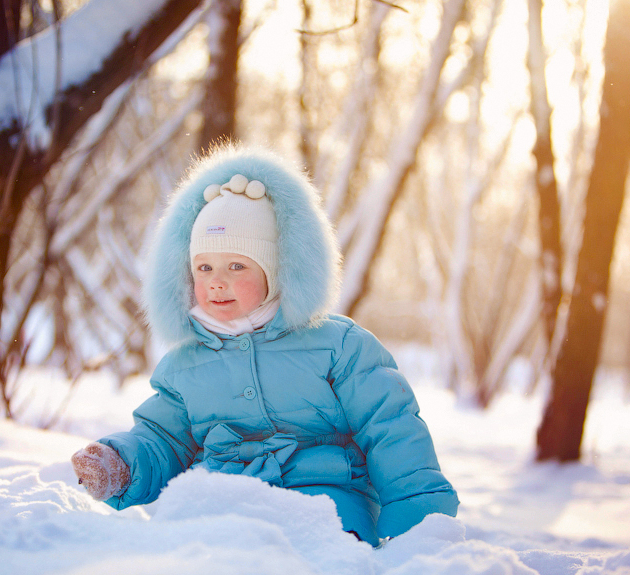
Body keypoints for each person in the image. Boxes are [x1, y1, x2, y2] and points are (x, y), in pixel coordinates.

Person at [71, 145, 458, 545]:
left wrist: (417, 521)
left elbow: (390, 428)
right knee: (189, 559)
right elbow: (163, 438)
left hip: (325, 501)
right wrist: (121, 462)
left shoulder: (338, 346)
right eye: (204, 267)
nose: (217, 281)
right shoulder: (184, 364)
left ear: (275, 270)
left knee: (323, 558)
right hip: (222, 501)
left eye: (236, 265)